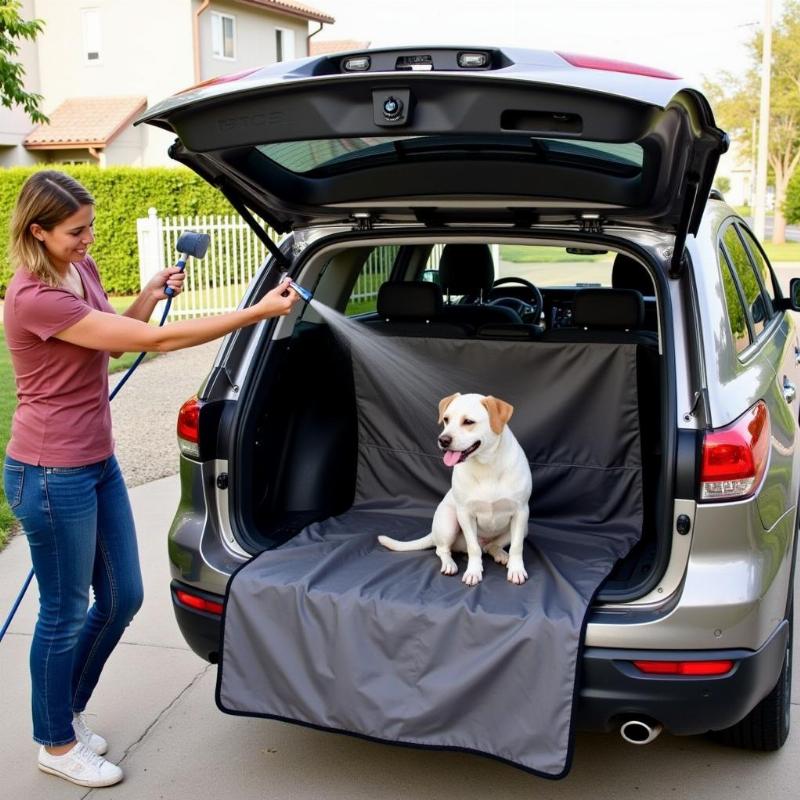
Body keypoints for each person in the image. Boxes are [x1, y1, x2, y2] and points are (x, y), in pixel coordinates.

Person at [2, 170, 301, 788]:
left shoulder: (75, 272)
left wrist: (145, 292)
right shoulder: (33, 297)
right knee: (63, 612)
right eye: (76, 231)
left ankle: (64, 715)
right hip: (49, 473)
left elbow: (111, 339)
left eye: (88, 227)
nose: (87, 240)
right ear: (38, 231)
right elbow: (155, 341)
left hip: (96, 462)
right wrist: (258, 313)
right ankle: (56, 742)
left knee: (123, 598)